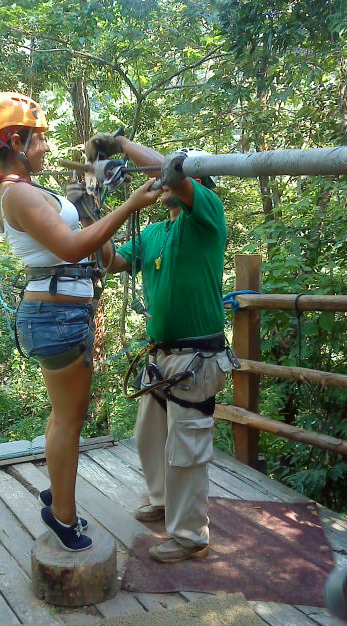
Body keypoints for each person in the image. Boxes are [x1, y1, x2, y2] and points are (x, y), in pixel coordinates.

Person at [0, 93, 161, 552]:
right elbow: (71, 250)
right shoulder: (19, 193)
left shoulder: (18, 190)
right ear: (16, 141)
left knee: (63, 417)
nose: (46, 147)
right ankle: (63, 517)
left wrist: (90, 200)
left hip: (57, 312)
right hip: (57, 315)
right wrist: (128, 206)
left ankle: (58, 494)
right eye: (40, 139)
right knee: (69, 420)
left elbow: (73, 239)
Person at [85, 132, 231, 562]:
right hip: (160, 354)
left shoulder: (207, 218)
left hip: (195, 356)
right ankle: (163, 501)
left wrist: (121, 144)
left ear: (197, 186)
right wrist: (92, 210)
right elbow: (111, 260)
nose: (166, 184)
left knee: (186, 445)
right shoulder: (152, 233)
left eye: (179, 180)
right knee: (149, 435)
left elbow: (171, 171)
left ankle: (190, 535)